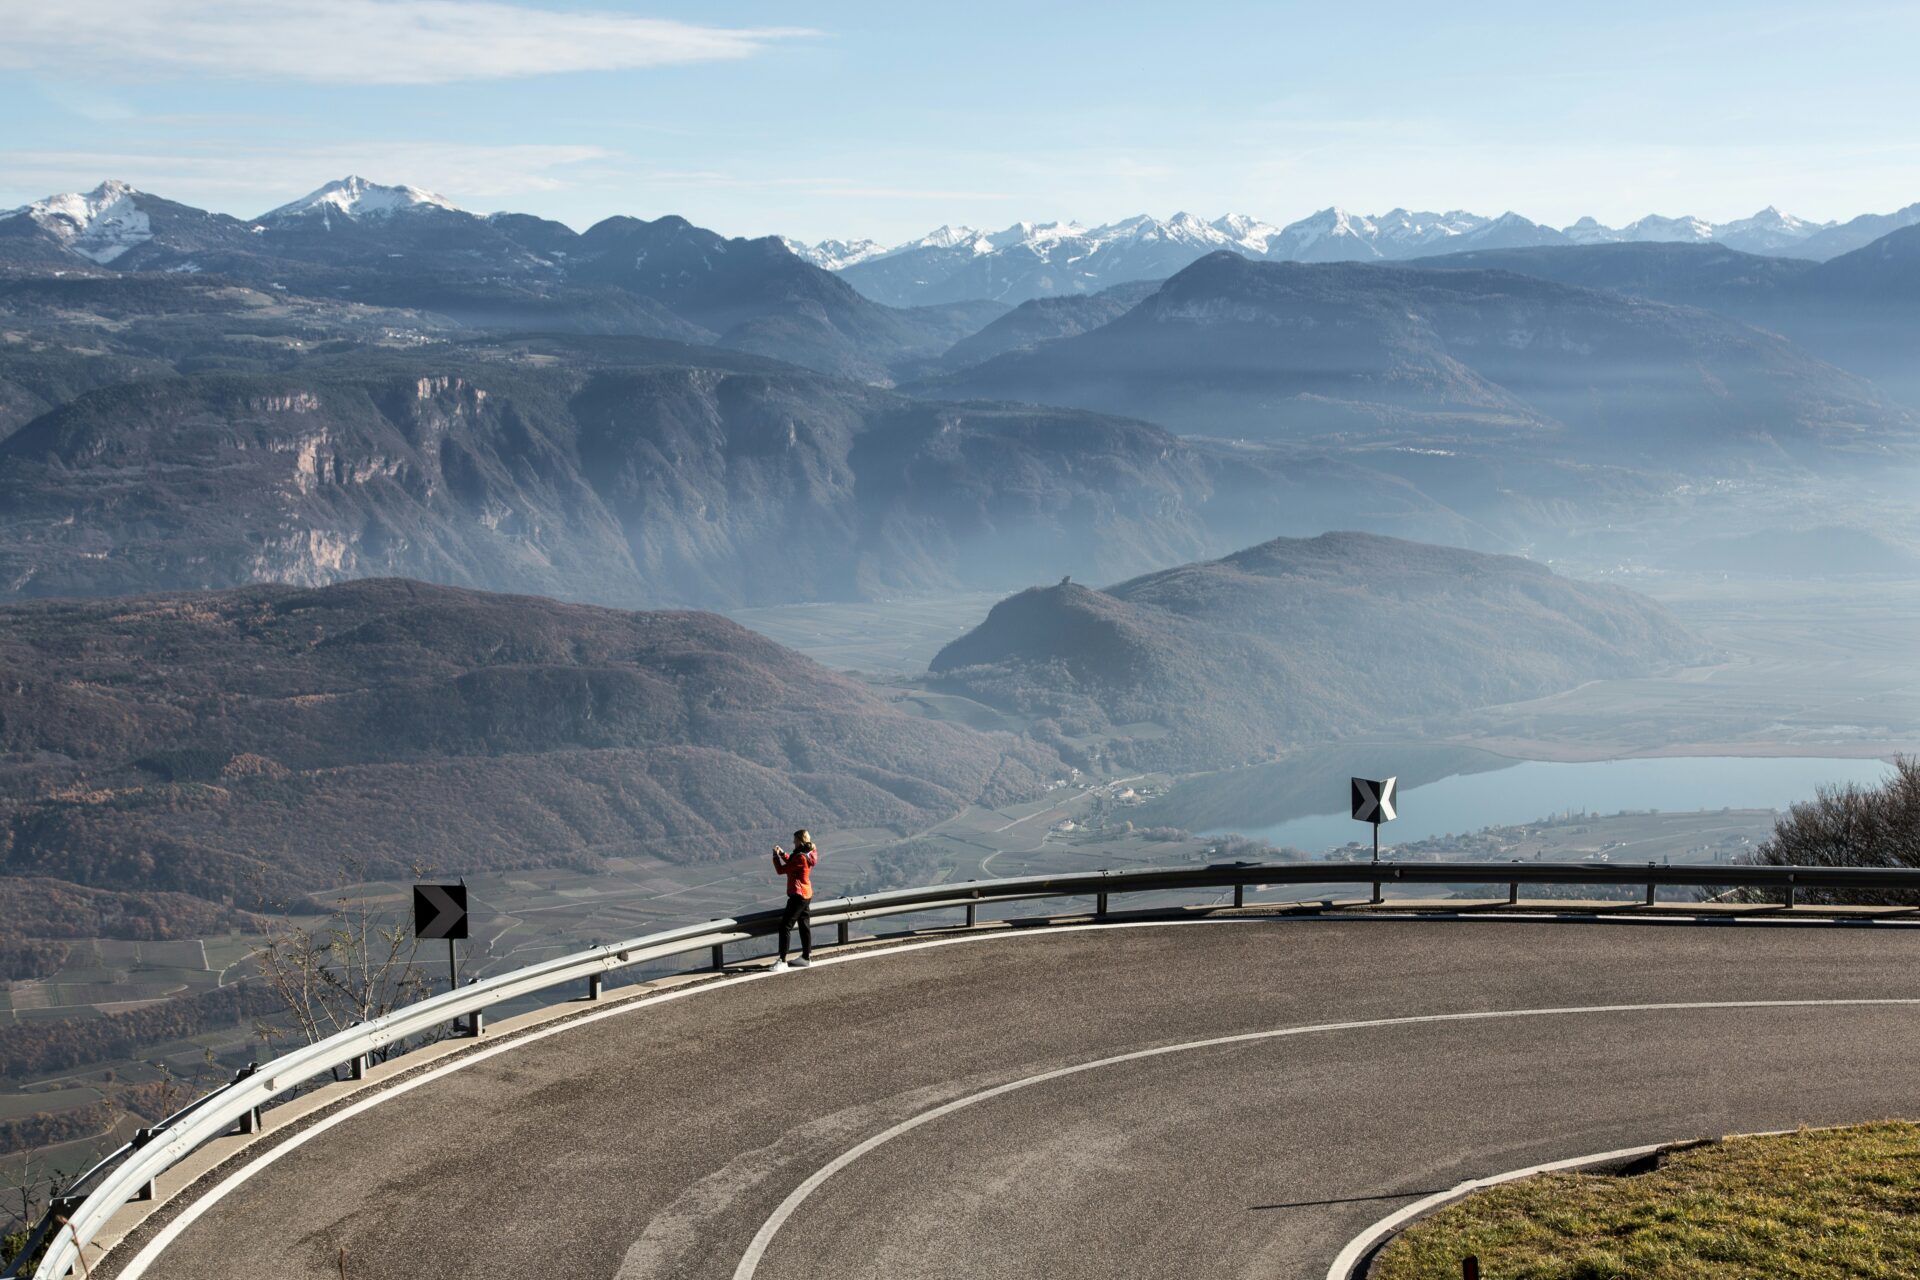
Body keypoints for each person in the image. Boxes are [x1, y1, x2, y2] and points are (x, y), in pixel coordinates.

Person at [770, 829, 818, 972]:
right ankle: (805, 958)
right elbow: (792, 861)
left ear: (800, 841)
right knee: (804, 925)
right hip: (806, 894)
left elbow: (781, 870)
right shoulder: (808, 853)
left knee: (785, 926)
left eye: (795, 840)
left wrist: (775, 856)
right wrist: (782, 853)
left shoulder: (800, 858)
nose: (793, 842)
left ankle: (782, 961)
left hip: (798, 895)